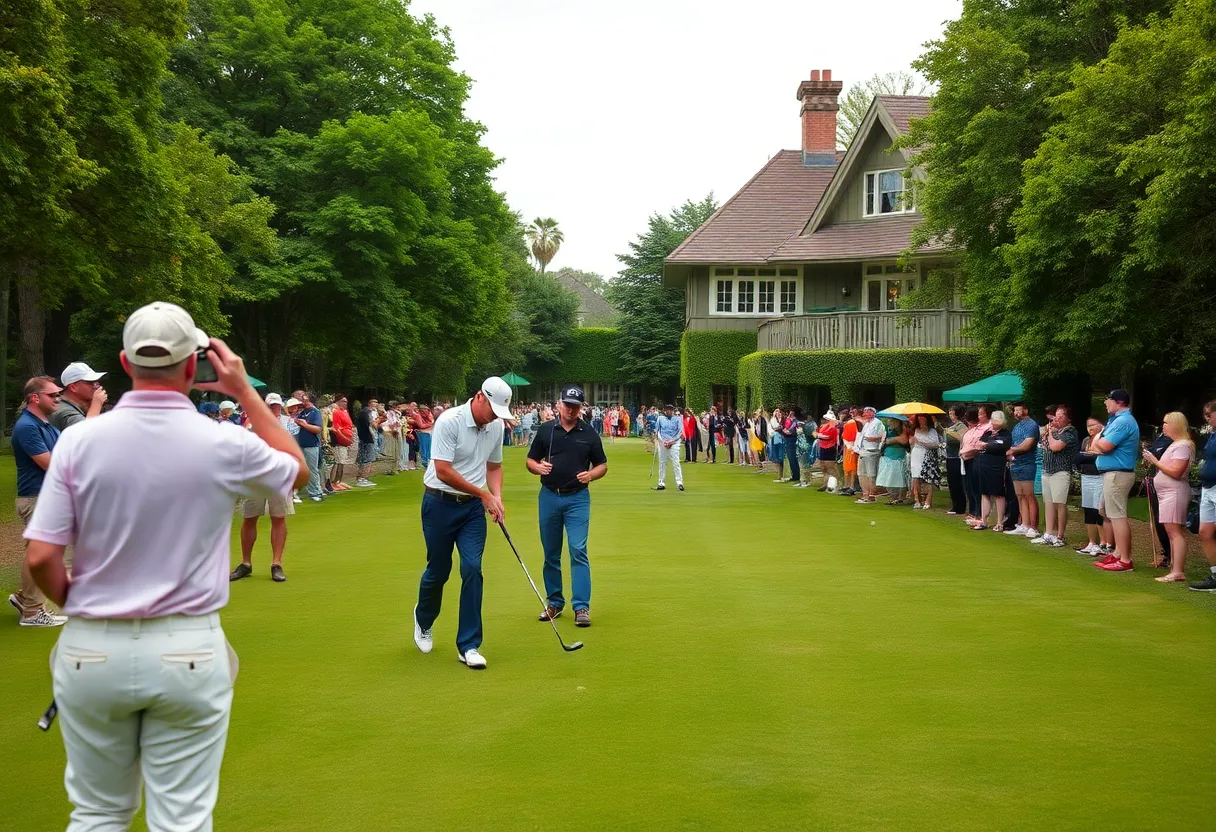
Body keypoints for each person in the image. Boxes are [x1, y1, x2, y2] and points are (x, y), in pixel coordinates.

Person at [23, 301, 306, 831]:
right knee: (182, 819)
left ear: (126, 364)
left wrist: (85, 611)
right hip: (187, 648)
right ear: (192, 365)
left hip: (92, 646)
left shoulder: (80, 438)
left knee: (97, 814)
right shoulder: (224, 440)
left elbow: (41, 555)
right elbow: (297, 472)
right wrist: (243, 391)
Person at [412, 377, 513, 670]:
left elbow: (494, 466)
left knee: (472, 568)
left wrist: (497, 497)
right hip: (439, 504)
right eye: (492, 409)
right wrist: (483, 494)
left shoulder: (494, 425)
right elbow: (443, 471)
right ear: (479, 397)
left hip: (470, 510)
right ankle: (424, 619)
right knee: (439, 570)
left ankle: (469, 644)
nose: (494, 417)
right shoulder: (449, 421)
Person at [526, 386, 608, 628]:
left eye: (575, 406)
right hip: (549, 496)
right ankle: (554, 602)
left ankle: (581, 606)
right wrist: (537, 467)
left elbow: (602, 464)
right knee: (551, 552)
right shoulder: (546, 430)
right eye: (567, 404)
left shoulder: (589, 433)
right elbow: (530, 459)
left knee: (577, 549)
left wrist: (591, 475)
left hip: (577, 498)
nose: (570, 410)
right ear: (559, 405)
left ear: (581, 407)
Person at [8, 376, 67, 627]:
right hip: (36, 497)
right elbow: (51, 464)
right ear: (35, 398)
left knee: (42, 554)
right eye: (52, 395)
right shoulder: (27, 427)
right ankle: (32, 612)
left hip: (44, 497)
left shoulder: (46, 425)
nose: (58, 399)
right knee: (41, 556)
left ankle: (26, 600)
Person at [1091, 389, 1140, 572]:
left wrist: (1097, 439)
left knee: (1117, 516)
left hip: (1118, 473)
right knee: (1110, 513)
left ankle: (1125, 560)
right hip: (1113, 472)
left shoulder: (1123, 421)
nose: (1105, 403)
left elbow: (1103, 446)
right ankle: (1119, 553)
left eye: (1108, 399)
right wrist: (1098, 440)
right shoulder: (1117, 420)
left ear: (1119, 402)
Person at [1142, 412, 1194, 583]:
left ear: (1175, 424)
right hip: (1167, 492)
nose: (1162, 426)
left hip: (1174, 492)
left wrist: (1154, 460)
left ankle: (1178, 571)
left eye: (1166, 423)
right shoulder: (1175, 445)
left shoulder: (1183, 445)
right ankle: (1174, 567)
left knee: (1175, 532)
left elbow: (1176, 472)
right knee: (1170, 532)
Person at [1033, 405, 1078, 548]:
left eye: (1061, 416)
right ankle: (1049, 533)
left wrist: (1050, 434)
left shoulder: (1070, 432)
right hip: (1048, 469)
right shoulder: (1054, 431)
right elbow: (1044, 445)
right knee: (1049, 503)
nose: (1056, 419)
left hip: (1061, 471)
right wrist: (1049, 434)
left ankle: (1060, 535)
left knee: (1060, 503)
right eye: (1056, 416)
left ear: (1068, 418)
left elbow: (1055, 447)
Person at [1076, 417, 1114, 556]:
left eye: (1092, 425)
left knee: (1100, 510)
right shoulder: (1086, 440)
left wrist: (1088, 456)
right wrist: (1087, 456)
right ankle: (1092, 542)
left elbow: (1097, 457)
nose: (1090, 428)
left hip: (1099, 476)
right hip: (1086, 475)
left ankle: (1105, 542)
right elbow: (1080, 458)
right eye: (1088, 425)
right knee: (1089, 509)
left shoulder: (1104, 439)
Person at [1189, 401, 1216, 592]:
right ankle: (1215, 574)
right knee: (1205, 532)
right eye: (1206, 415)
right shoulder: (1212, 435)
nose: (1208, 418)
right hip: (1207, 487)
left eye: (1210, 414)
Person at [1006, 402, 1040, 539]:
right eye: (1015, 411)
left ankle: (1033, 526)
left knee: (1028, 495)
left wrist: (1011, 450)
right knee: (1019, 495)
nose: (1016, 413)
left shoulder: (1031, 424)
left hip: (1027, 463)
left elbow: (1027, 445)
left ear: (1025, 410)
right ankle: (1024, 524)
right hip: (1016, 463)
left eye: (1019, 410)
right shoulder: (1017, 426)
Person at [973, 410, 1011, 531]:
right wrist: (987, 444)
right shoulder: (988, 433)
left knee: (998, 494)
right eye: (993, 421)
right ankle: (984, 520)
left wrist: (986, 445)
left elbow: (1000, 446)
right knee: (984, 493)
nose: (994, 424)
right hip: (983, 465)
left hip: (996, 466)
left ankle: (999, 522)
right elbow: (978, 444)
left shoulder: (1005, 434)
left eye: (997, 421)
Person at [49, 361, 108, 432]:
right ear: (73, 387)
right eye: (90, 382)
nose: (96, 386)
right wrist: (96, 404)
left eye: (96, 381)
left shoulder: (70, 405)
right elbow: (86, 434)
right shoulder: (64, 411)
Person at [292, 390, 324, 501]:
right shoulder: (302, 412)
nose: (300, 399)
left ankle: (315, 493)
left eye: (303, 397)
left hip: (311, 445)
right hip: (300, 445)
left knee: (312, 469)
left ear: (308, 399)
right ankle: (297, 492)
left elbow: (318, 429)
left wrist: (304, 425)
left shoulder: (314, 412)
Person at [962, 406, 989, 526]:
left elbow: (979, 445)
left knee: (978, 487)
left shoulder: (988, 428)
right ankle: (974, 511)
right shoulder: (976, 427)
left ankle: (979, 513)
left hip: (977, 458)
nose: (978, 416)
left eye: (981, 414)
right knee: (971, 486)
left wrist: (969, 452)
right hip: (967, 458)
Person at [910, 414, 942, 510]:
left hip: (928, 456)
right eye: (919, 419)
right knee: (916, 477)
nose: (921, 421)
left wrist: (921, 442)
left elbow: (936, 444)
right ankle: (917, 499)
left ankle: (928, 500)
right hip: (916, 454)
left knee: (928, 477)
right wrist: (912, 442)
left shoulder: (932, 431)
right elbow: (913, 444)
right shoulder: (916, 430)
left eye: (923, 419)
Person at [877, 418, 910, 504]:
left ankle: (899, 497)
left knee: (898, 476)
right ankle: (893, 496)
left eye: (890, 420)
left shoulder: (902, 427)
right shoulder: (887, 429)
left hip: (898, 455)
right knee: (889, 477)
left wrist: (891, 440)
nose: (888, 421)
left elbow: (904, 439)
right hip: (888, 454)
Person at [943, 406, 968, 515]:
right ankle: (955, 505)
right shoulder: (951, 426)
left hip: (957, 457)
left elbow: (962, 438)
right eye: (949, 413)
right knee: (952, 482)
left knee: (957, 482)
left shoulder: (961, 426)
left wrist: (950, 432)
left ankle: (960, 506)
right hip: (949, 456)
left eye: (952, 413)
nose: (950, 416)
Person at [856, 407, 884, 504]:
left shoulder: (878, 423)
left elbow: (883, 435)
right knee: (861, 473)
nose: (865, 413)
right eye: (865, 412)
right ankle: (865, 494)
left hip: (872, 451)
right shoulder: (867, 423)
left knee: (871, 474)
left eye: (868, 412)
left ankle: (871, 495)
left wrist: (874, 438)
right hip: (863, 450)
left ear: (873, 413)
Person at [655, 404, 685, 491]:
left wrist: (672, 441)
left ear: (673, 411)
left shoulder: (678, 419)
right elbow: (657, 431)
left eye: (670, 410)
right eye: (667, 409)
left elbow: (680, 432)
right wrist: (663, 441)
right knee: (662, 462)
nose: (669, 411)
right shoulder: (660, 418)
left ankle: (679, 482)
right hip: (663, 442)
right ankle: (661, 482)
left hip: (674, 442)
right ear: (664, 410)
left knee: (676, 462)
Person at [330, 394, 355, 490]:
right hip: (339, 440)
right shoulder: (336, 412)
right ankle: (334, 482)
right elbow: (336, 427)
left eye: (346, 401)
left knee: (342, 461)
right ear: (337, 402)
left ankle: (339, 481)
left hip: (346, 439)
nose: (345, 403)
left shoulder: (345, 411)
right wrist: (343, 437)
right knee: (338, 461)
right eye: (343, 401)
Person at [353, 398, 379, 488]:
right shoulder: (367, 413)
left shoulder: (363, 412)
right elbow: (374, 425)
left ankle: (361, 478)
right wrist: (381, 419)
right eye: (374, 403)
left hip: (364, 438)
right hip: (367, 439)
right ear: (369, 404)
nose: (376, 405)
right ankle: (362, 479)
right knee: (368, 459)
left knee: (364, 459)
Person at [815, 412, 839, 492]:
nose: (824, 420)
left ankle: (839, 483)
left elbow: (827, 437)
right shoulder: (823, 427)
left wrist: (818, 435)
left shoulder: (833, 428)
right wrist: (817, 434)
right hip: (822, 447)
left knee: (830, 467)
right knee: (823, 467)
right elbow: (817, 434)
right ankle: (824, 484)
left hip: (830, 447)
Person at [840, 407, 859, 495]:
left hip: (853, 447)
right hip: (849, 446)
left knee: (852, 468)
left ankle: (851, 487)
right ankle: (848, 486)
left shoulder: (853, 423)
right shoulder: (851, 422)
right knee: (849, 468)